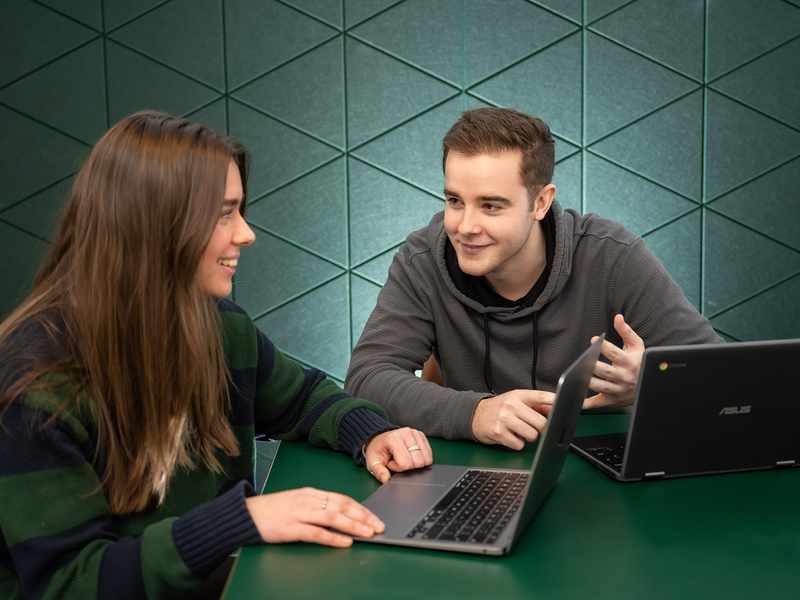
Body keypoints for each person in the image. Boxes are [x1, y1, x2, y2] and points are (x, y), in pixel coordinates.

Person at [0, 111, 433, 599]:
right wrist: (238, 521)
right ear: (155, 224)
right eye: (224, 213)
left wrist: (369, 433)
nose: (246, 233)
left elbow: (302, 399)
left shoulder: (221, 328)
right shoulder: (34, 387)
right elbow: (70, 585)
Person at [346, 107, 719, 451]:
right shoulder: (422, 259)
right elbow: (366, 378)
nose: (465, 226)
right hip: (475, 468)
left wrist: (653, 381)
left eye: (491, 206)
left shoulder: (612, 255)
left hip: (599, 476)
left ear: (540, 202)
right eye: (455, 201)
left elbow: (721, 376)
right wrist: (474, 413)